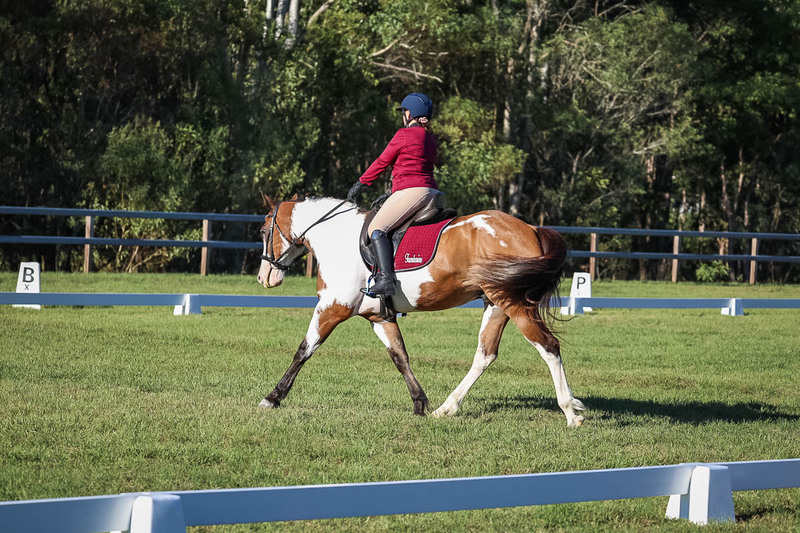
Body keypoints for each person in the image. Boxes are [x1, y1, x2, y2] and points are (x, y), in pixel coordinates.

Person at [347, 92, 440, 297]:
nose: (403, 115)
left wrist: (361, 183)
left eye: (404, 111)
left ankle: (386, 280)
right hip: (429, 190)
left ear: (410, 113)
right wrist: (391, 192)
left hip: (412, 190)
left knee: (376, 228)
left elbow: (382, 161)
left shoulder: (404, 135)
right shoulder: (431, 138)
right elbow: (414, 167)